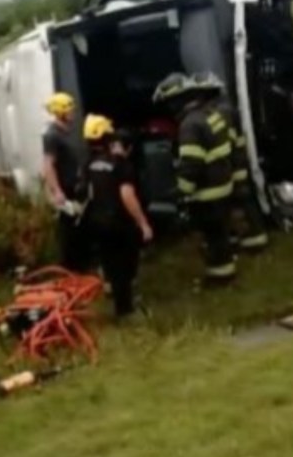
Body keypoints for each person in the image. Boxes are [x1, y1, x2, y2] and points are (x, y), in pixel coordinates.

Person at [153, 73, 237, 284]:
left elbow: (192, 165)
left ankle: (220, 277)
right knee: (221, 234)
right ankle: (226, 270)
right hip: (223, 183)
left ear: (175, 102)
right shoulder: (210, 113)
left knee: (213, 237)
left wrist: (181, 192)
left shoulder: (189, 125)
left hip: (208, 192)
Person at [80, 115, 153, 319]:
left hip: (96, 222)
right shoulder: (120, 164)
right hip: (119, 223)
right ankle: (125, 311)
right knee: (125, 265)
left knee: (108, 261)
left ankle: (112, 291)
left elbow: (84, 192)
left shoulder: (87, 164)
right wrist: (143, 223)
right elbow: (127, 196)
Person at [189, 72, 269, 252]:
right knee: (241, 201)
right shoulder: (224, 106)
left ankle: (249, 238)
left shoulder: (220, 110)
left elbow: (224, 138)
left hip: (233, 162)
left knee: (239, 201)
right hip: (236, 160)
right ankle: (249, 236)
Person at [42, 92, 90, 273]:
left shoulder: (66, 132)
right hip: (65, 188)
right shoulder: (52, 136)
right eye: (69, 110)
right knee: (68, 229)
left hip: (75, 185)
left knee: (79, 226)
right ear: (60, 112)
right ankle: (71, 267)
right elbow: (48, 164)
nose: (73, 113)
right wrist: (57, 191)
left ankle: (81, 264)